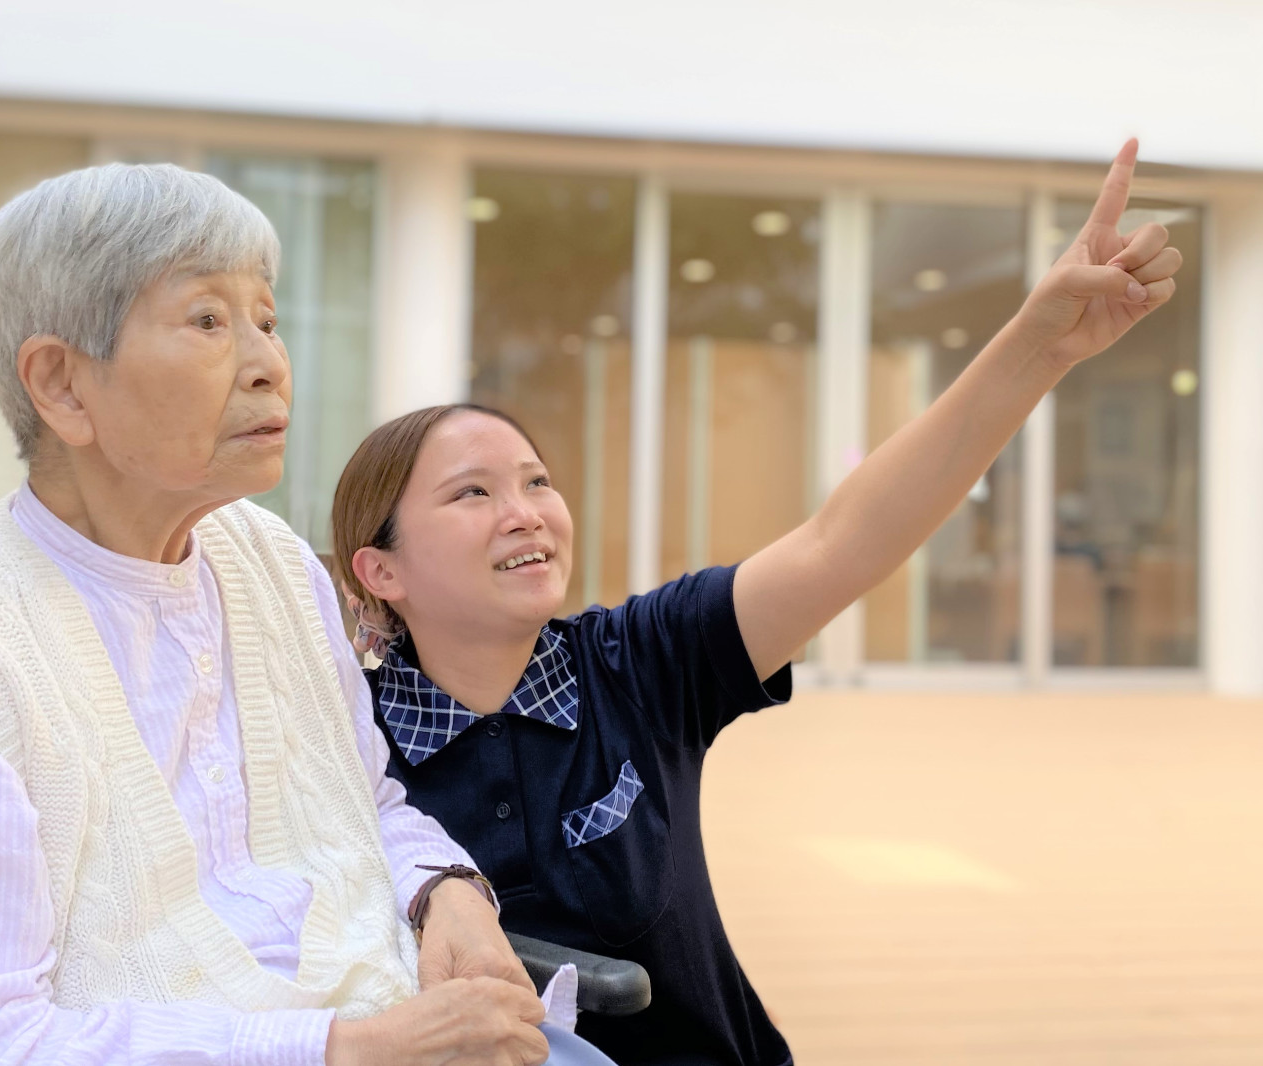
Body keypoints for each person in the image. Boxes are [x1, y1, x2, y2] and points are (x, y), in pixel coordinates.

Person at [329, 141, 1179, 1066]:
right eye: (474, 494)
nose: (527, 512)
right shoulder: (343, 751)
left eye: (537, 480)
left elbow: (841, 541)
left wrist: (1039, 346)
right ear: (382, 571)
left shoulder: (638, 662)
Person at [0, 163, 616, 1066]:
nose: (269, 364)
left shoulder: (272, 566)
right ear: (63, 385)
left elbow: (365, 799)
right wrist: (339, 1049)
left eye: (266, 318)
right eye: (209, 321)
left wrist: (445, 889)